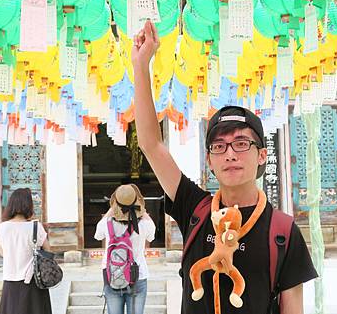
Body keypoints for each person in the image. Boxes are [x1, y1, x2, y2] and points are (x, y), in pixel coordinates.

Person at [131, 20, 318, 314]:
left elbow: (293, 309)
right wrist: (141, 66)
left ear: (261, 156)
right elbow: (151, 144)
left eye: (242, 143)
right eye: (220, 146)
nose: (230, 154)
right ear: (210, 161)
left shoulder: (281, 232)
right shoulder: (195, 209)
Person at [95, 184, 156, 314]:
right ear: (137, 202)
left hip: (112, 275)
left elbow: (97, 235)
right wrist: (142, 210)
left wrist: (112, 209)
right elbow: (151, 237)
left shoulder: (106, 224)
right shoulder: (145, 224)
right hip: (138, 276)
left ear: (115, 203)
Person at [0, 188, 52, 314]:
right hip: (33, 281)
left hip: (10, 280)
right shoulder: (36, 227)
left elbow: (1, 251)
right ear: (29, 205)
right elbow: (48, 251)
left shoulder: (2, 228)